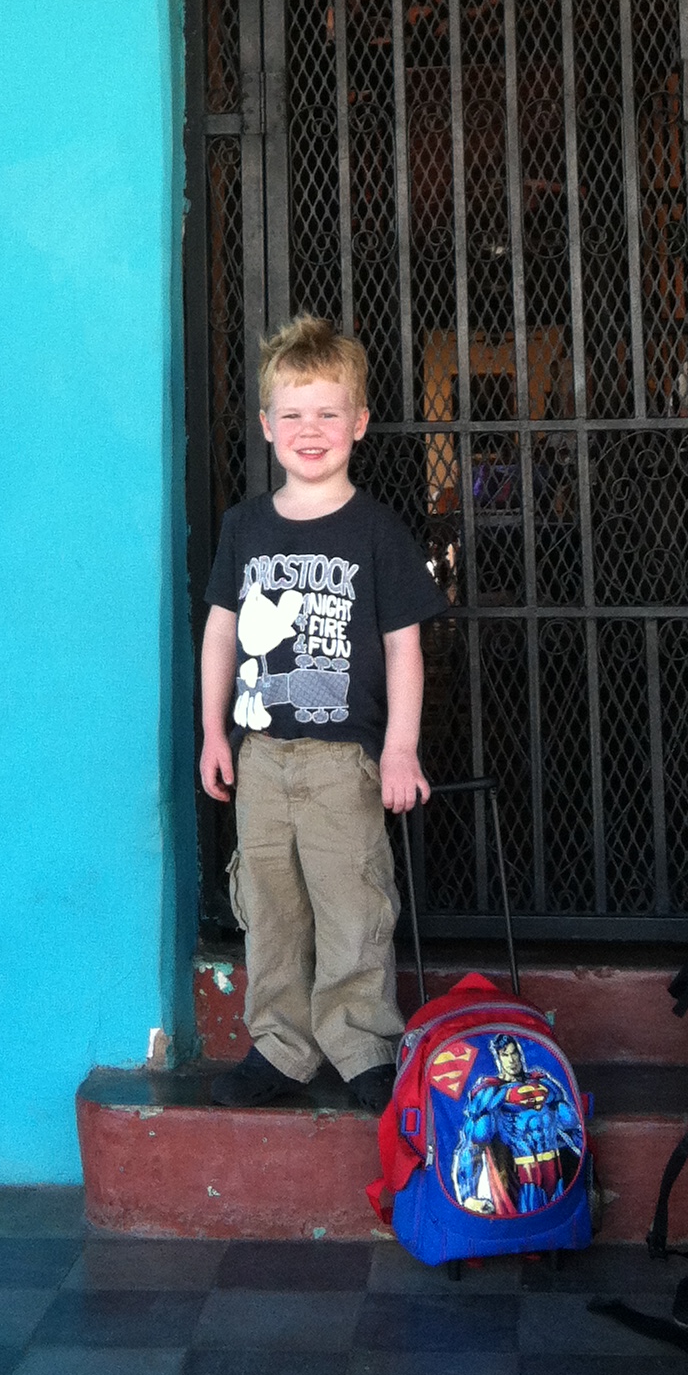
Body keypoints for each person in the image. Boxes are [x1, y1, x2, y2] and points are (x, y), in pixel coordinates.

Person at [199, 315, 445, 1114]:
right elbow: (222, 632)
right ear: (267, 425)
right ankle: (281, 1047)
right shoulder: (244, 527)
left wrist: (400, 749)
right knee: (269, 904)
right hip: (262, 755)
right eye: (293, 414)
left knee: (353, 902)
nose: (311, 430)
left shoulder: (376, 530)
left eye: (328, 413)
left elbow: (404, 646)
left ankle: (363, 1044)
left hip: (344, 761)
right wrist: (213, 732)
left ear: (360, 423)